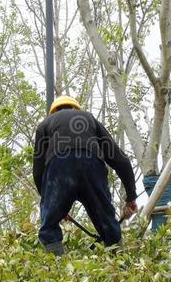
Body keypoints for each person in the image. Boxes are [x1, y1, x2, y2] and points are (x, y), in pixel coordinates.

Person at [32, 95, 138, 256]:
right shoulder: (89, 118)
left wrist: (52, 203)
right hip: (91, 166)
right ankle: (120, 268)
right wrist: (131, 197)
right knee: (108, 225)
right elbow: (120, 160)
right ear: (76, 108)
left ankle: (56, 268)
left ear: (52, 112)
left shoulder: (45, 124)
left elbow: (39, 171)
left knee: (49, 227)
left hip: (59, 168)